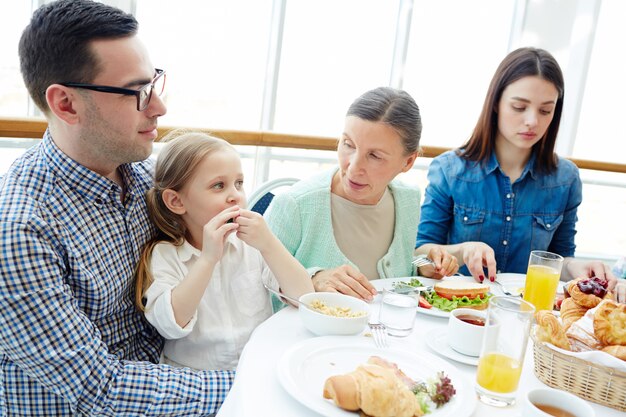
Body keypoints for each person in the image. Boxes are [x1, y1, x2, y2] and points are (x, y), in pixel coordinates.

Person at [0, 1, 232, 415]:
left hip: (169, 375)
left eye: (154, 82)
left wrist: (313, 276)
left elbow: (221, 234)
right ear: (66, 104)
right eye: (137, 92)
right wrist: (248, 382)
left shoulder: (144, 176)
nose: (159, 107)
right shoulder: (19, 230)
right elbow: (99, 388)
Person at [415, 47, 617, 293]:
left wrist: (576, 268)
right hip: (460, 311)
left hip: (527, 313)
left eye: (545, 110)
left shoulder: (566, 179)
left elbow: (557, 260)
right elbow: (419, 255)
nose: (532, 121)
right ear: (497, 102)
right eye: (520, 107)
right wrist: (463, 249)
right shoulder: (450, 169)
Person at [135, 132, 313, 371]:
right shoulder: (165, 255)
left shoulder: (251, 246)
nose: (235, 196)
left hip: (256, 367)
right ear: (176, 202)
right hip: (195, 382)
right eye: (218, 186)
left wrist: (269, 244)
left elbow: (303, 297)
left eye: (239, 183)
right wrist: (208, 259)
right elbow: (170, 324)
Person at [265, 87, 459, 301]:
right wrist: (313, 279)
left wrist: (424, 266)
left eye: (375, 155)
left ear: (408, 162)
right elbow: (253, 283)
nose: (354, 166)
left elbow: (396, 273)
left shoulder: (408, 200)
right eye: (348, 144)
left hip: (381, 333)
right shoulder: (295, 204)